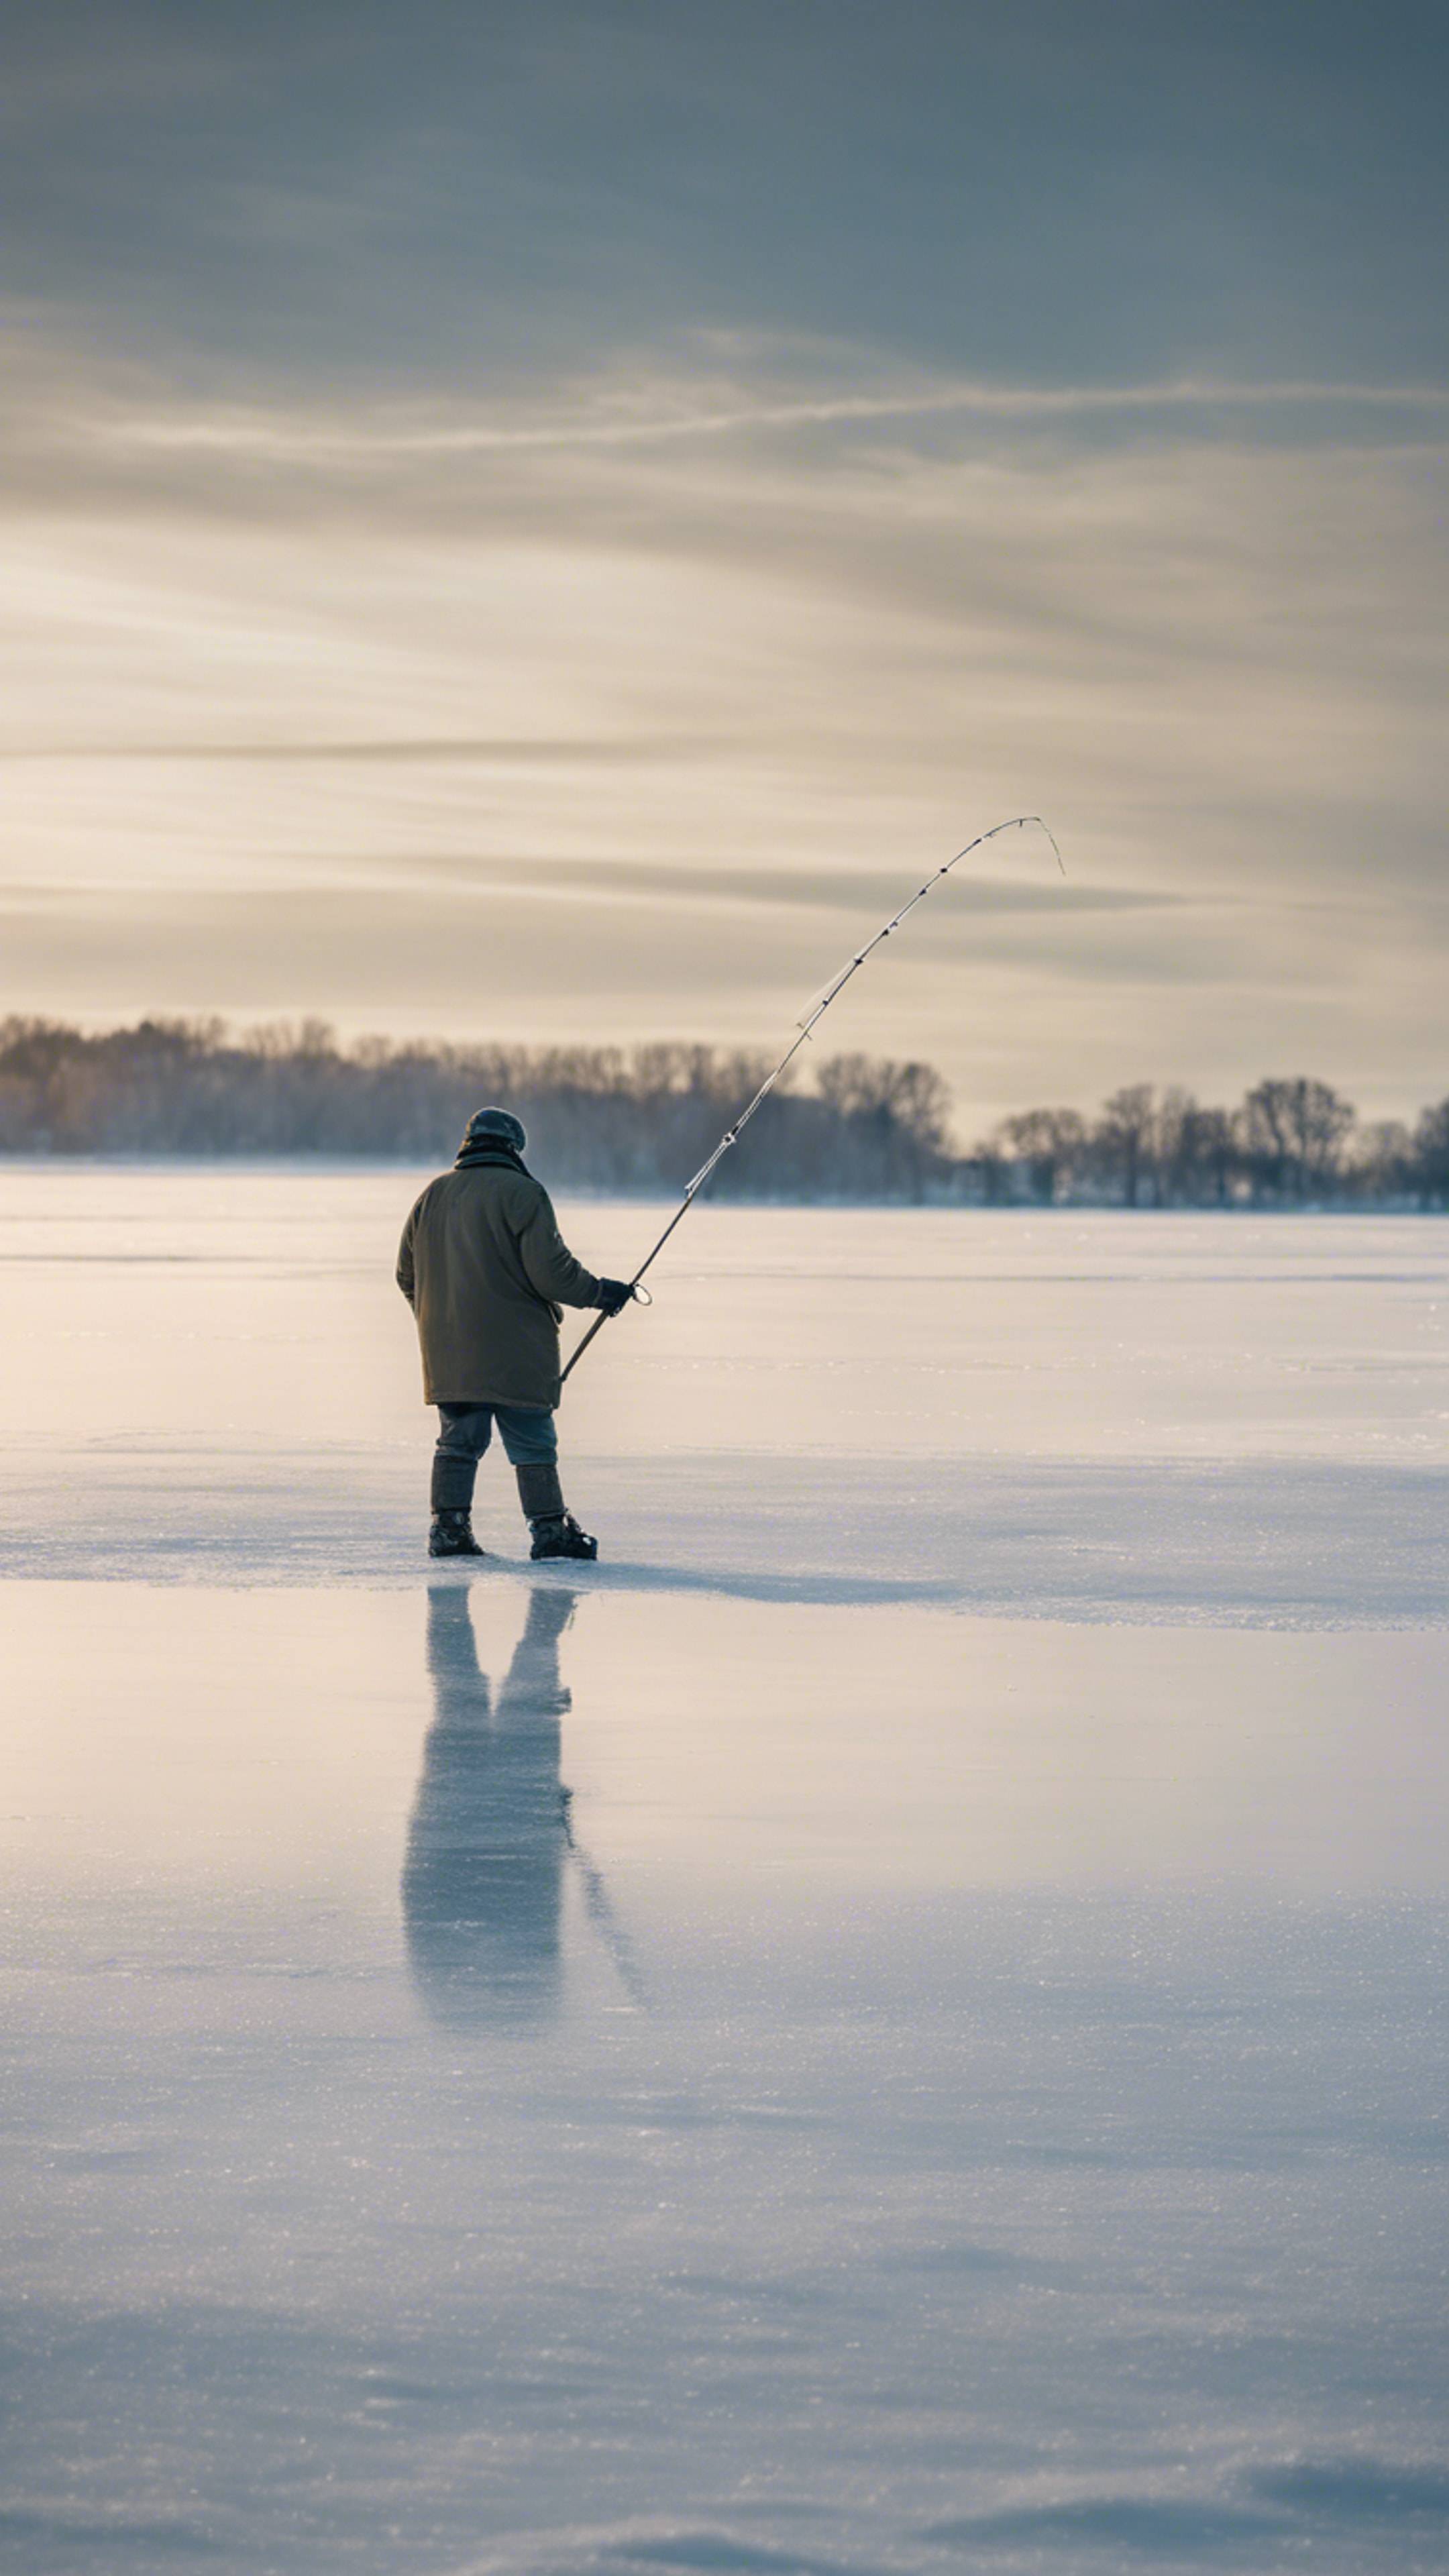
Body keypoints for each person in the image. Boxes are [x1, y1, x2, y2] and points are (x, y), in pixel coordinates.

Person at [396, 1106, 631, 1560]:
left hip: (449, 1351)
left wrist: (439, 1321)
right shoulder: (523, 1193)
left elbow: (407, 1276)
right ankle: (549, 1532)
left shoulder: (433, 1195)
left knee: (458, 1442)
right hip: (517, 1349)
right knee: (532, 1439)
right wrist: (601, 1293)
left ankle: (448, 1530)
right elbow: (553, 1275)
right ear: (511, 1147)